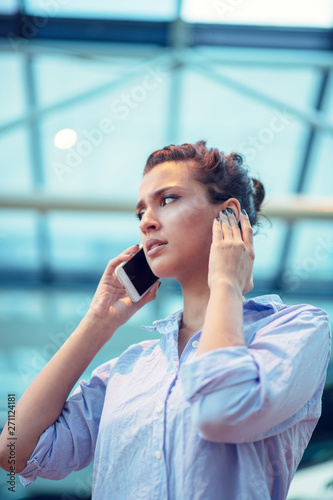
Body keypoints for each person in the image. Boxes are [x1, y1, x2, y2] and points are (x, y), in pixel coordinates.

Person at [0, 140, 331, 500]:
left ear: (230, 215)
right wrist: (98, 323)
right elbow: (13, 449)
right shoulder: (128, 368)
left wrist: (225, 284)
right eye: (140, 212)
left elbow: (220, 411)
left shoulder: (297, 329)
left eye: (167, 199)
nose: (146, 222)